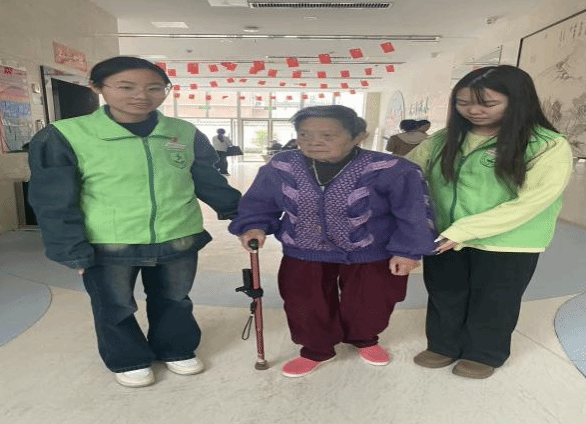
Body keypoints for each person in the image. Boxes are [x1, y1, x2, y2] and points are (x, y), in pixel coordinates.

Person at [27, 56, 241, 388]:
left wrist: (242, 215)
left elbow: (207, 179)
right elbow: (53, 199)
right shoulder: (65, 135)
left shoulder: (183, 132)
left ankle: (176, 348)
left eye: (155, 88)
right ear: (97, 87)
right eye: (126, 87)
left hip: (178, 235)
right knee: (114, 305)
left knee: (175, 298)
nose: (142, 96)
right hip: (109, 241)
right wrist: (70, 249)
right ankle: (128, 358)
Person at [228, 105, 437, 378]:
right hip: (303, 249)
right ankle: (316, 349)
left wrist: (408, 251)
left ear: (358, 136)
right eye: (304, 135)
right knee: (304, 302)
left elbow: (413, 211)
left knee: (371, 299)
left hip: (371, 250)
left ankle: (365, 338)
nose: (314, 142)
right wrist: (254, 226)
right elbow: (259, 201)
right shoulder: (282, 165)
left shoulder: (392, 169)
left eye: (328, 136)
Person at [405, 65, 574, 379]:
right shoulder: (444, 139)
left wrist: (465, 231)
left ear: (518, 100)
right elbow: (406, 173)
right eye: (463, 102)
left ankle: (484, 353)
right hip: (445, 235)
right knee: (444, 292)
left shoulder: (547, 145)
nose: (473, 110)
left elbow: (532, 201)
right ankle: (443, 345)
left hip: (509, 241)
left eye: (487, 103)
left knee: (495, 300)